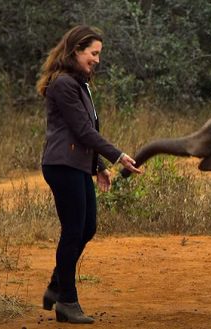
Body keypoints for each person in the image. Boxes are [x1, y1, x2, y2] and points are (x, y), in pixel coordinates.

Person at [35, 25, 142, 324]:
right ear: (76, 51)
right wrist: (118, 156)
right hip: (62, 165)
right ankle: (66, 302)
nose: (97, 59)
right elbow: (82, 130)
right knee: (73, 230)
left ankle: (58, 284)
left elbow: (86, 131)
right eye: (93, 53)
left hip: (77, 164)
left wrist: (99, 167)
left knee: (87, 228)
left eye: (99, 54)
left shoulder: (80, 83)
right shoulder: (64, 85)